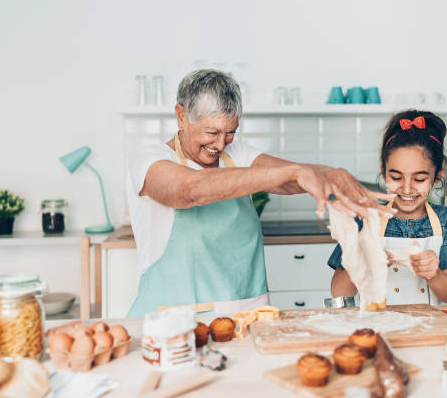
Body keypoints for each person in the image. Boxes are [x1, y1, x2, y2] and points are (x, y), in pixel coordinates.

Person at [126, 69, 396, 316]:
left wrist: (331, 175)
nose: (221, 144)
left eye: (230, 133)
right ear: (181, 116)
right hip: (172, 323)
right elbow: (189, 190)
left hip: (246, 316)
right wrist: (295, 172)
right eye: (212, 132)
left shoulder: (237, 154)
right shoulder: (150, 161)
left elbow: (285, 179)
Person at [328, 110, 447, 304]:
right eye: (396, 177)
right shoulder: (364, 218)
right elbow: (338, 292)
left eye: (419, 179)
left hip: (429, 331)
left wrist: (435, 274)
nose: (407, 189)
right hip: (375, 329)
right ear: (384, 172)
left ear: (437, 177)